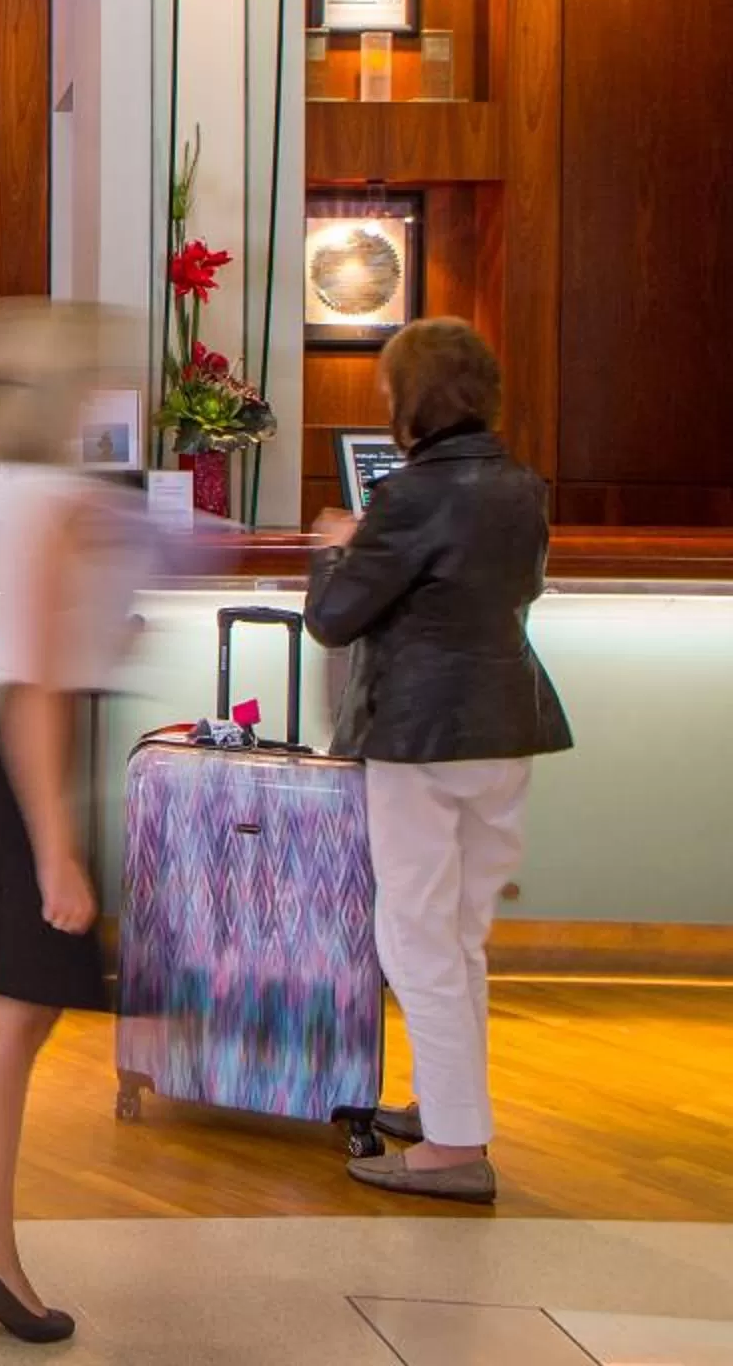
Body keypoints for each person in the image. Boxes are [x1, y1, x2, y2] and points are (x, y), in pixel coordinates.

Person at [307, 317, 571, 1205]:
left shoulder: (409, 497)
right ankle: (452, 1110)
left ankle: (456, 1148)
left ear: (409, 401)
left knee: (415, 935)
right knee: (461, 936)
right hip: (508, 725)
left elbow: (337, 617)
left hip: (421, 736)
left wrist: (336, 548)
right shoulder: (524, 486)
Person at [0, 301, 149, 1347]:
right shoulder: (54, 503)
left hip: (33, 760)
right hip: (39, 768)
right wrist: (57, 844)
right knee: (17, 1017)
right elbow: (35, 681)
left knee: (15, 1018)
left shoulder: (25, 495)